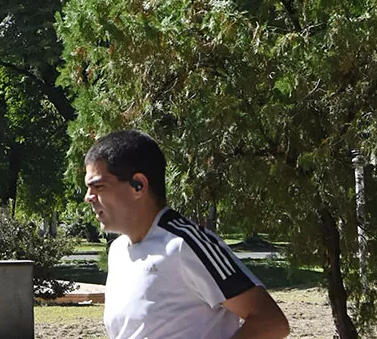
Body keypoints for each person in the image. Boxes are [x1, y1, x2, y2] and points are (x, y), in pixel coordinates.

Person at [84, 130, 290, 339]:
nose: (88, 197)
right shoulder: (118, 251)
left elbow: (270, 322)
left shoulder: (185, 244)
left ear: (138, 185)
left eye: (98, 186)